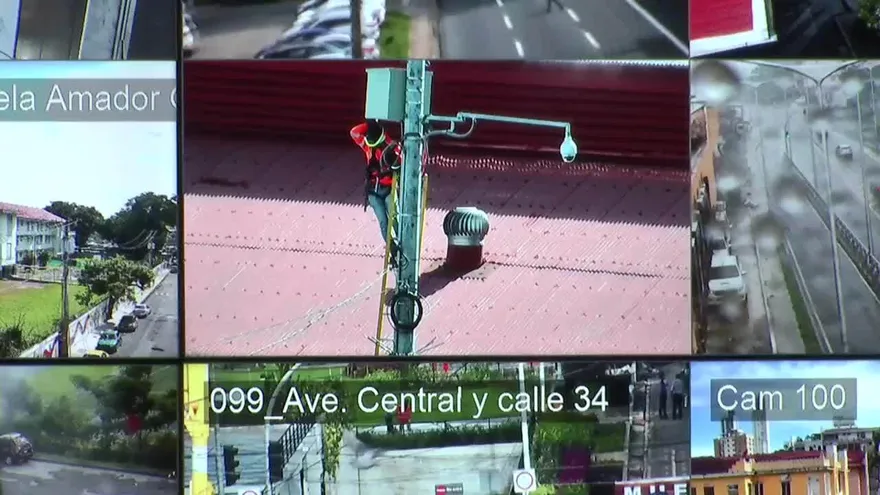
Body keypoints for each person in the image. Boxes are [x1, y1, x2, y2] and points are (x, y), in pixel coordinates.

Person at [350, 120, 402, 264]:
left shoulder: (391, 146)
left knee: (395, 218)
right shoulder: (367, 146)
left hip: (388, 189)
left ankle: (403, 246)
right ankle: (393, 250)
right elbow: (354, 132)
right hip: (374, 192)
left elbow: (401, 161)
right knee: (383, 223)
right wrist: (370, 124)